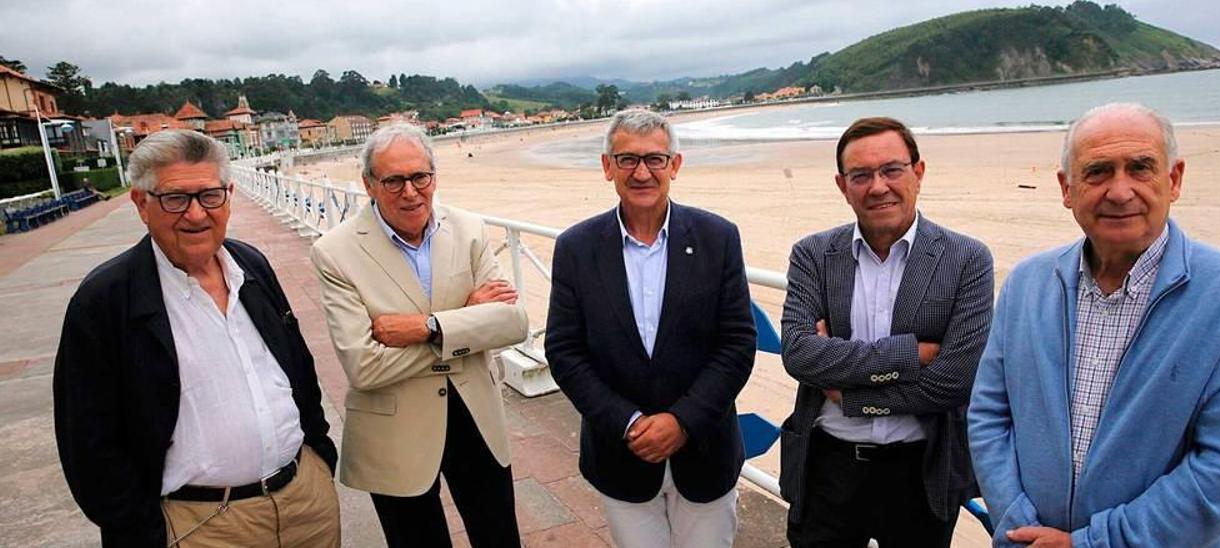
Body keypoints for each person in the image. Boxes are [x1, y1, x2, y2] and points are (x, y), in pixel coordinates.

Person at [968, 103, 1220, 547]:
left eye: (1140, 168)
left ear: (1173, 180)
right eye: (1098, 171)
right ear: (1067, 188)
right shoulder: (1026, 285)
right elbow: (989, 416)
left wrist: (1091, 544)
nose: (1120, 191)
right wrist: (1017, 523)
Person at [53, 129, 340, 547]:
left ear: (228, 194)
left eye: (209, 195)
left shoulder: (251, 266)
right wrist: (141, 526)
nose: (195, 214)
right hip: (198, 525)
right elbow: (88, 441)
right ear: (141, 203)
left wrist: (319, 456)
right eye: (175, 198)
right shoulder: (106, 300)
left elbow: (297, 366)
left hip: (304, 503)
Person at [778, 116, 995, 547]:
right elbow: (799, 354)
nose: (878, 186)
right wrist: (912, 354)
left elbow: (953, 382)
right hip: (827, 468)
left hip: (921, 471)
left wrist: (850, 395)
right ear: (843, 186)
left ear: (918, 172)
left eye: (891, 170)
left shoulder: (967, 259)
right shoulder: (813, 255)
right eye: (861, 175)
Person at [545, 109, 756, 548]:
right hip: (621, 454)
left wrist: (682, 421)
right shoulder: (576, 248)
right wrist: (628, 423)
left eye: (655, 159)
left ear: (675, 165)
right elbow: (564, 351)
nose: (642, 172)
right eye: (627, 159)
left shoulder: (719, 238)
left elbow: (736, 345)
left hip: (705, 452)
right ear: (607, 167)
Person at [310, 123, 528, 547]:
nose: (410, 192)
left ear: (434, 177)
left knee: (499, 536)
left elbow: (513, 323)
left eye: (419, 177)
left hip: (474, 414)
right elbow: (365, 366)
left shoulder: (468, 229)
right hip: (395, 429)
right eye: (393, 180)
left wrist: (427, 327)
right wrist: (466, 320)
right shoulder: (335, 252)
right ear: (369, 184)